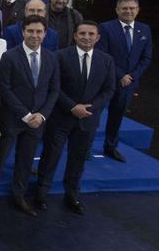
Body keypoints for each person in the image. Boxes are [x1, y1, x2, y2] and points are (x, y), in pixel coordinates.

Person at [36, 21, 115, 214]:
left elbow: (108, 90)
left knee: (78, 159)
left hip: (87, 119)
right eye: (82, 33)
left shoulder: (106, 60)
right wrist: (72, 107)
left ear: (97, 37)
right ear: (75, 36)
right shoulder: (60, 57)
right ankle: (41, 194)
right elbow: (54, 87)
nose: (86, 37)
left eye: (91, 34)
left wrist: (89, 108)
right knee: (50, 157)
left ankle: (72, 195)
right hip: (61, 118)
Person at [0, 15, 60, 217]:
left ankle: (18, 196)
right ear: (23, 32)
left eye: (39, 32)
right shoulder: (10, 56)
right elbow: (4, 89)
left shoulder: (52, 58)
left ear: (45, 34)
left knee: (25, 161)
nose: (34, 35)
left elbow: (54, 90)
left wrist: (42, 116)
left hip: (37, 122)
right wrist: (26, 115)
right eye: (31, 31)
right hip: (12, 118)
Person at [96, 0, 153, 162]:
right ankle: (83, 148)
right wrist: (121, 75)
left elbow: (146, 57)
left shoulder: (145, 29)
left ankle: (110, 147)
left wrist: (132, 77)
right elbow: (102, 54)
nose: (128, 11)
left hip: (128, 84)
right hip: (105, 80)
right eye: (125, 8)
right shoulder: (105, 28)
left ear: (137, 10)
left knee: (117, 116)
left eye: (132, 8)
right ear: (117, 10)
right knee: (94, 115)